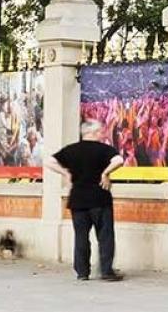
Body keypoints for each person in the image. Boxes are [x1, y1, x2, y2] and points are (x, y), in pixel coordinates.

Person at [49, 121, 125, 282]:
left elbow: (49, 161)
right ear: (95, 132)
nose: (103, 133)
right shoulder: (104, 149)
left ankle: (82, 272)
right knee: (105, 236)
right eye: (101, 131)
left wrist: (65, 173)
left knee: (81, 236)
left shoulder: (72, 150)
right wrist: (105, 173)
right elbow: (118, 160)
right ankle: (106, 271)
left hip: (78, 199)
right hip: (100, 198)